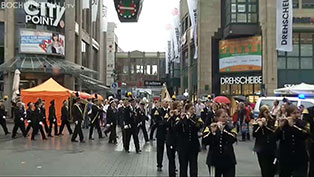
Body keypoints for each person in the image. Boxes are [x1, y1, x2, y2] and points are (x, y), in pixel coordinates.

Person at [275, 104, 310, 177]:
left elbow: (304, 135)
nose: (296, 115)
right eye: (294, 113)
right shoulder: (284, 124)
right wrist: (280, 127)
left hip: (300, 156)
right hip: (286, 156)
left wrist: (293, 126)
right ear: (288, 114)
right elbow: (275, 138)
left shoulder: (303, 123)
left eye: (298, 113)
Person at [203, 109, 237, 177]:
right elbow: (205, 141)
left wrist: (223, 131)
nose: (225, 119)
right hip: (214, 159)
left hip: (228, 159)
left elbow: (233, 139)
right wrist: (212, 132)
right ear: (217, 118)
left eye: (226, 117)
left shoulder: (231, 127)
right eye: (223, 117)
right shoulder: (210, 127)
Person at [176, 103, 204, 177]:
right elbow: (176, 128)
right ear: (187, 110)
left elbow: (199, 125)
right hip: (182, 146)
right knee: (183, 166)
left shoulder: (197, 117)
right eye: (191, 109)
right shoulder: (181, 117)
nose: (193, 110)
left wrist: (190, 119)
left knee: (193, 166)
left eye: (194, 109)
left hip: (193, 146)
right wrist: (183, 119)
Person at [253, 105, 277, 177]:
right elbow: (254, 134)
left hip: (271, 147)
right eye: (266, 112)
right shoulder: (257, 121)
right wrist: (260, 126)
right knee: (264, 169)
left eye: (269, 112)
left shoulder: (273, 121)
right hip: (261, 148)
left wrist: (266, 125)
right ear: (262, 113)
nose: (268, 114)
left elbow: (274, 132)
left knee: (272, 168)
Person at [165, 101, 180, 177]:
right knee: (171, 158)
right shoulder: (169, 115)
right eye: (178, 106)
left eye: (181, 106)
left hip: (180, 140)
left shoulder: (182, 116)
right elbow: (166, 125)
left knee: (182, 159)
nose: (180, 108)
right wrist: (171, 117)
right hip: (171, 140)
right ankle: (172, 173)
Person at [155, 101, 169, 171]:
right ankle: (159, 164)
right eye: (165, 102)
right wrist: (164, 123)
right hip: (161, 133)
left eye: (167, 102)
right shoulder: (158, 111)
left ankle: (172, 166)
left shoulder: (170, 111)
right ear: (162, 103)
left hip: (169, 133)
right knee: (160, 149)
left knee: (170, 151)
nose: (166, 103)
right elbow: (156, 121)